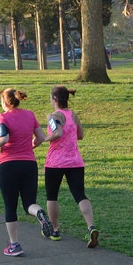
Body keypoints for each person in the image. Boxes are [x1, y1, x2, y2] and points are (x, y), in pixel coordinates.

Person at [0, 88, 54, 257]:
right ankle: (39, 213)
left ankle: (14, 245)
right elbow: (40, 137)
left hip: (9, 165)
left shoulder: (3, 117)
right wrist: (29, 147)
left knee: (10, 207)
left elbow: (4, 137)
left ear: (5, 102)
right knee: (29, 203)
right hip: (29, 164)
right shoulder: (30, 115)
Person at [37, 85, 99, 248]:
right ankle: (91, 227)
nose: (50, 101)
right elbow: (81, 135)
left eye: (50, 98)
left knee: (52, 196)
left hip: (55, 163)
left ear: (55, 99)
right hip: (75, 162)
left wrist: (44, 138)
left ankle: (55, 230)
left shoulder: (53, 115)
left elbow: (58, 133)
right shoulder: (73, 115)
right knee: (80, 195)